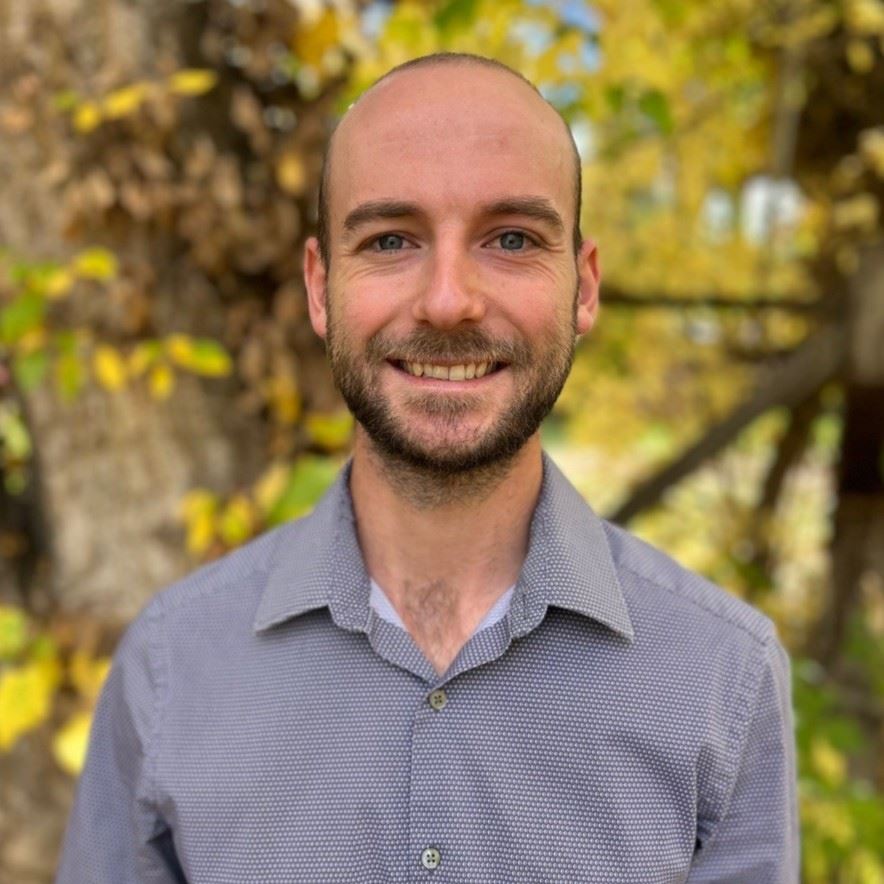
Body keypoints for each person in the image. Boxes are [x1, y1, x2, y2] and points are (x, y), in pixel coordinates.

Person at [56, 53, 799, 882]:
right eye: (391, 240)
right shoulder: (171, 666)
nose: (449, 300)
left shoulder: (720, 677)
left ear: (583, 288)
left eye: (511, 239)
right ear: (319, 287)